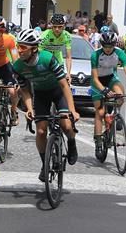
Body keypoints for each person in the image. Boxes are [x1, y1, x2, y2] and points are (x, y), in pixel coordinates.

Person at [11, 28, 79, 170]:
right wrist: (29, 109)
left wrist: (72, 110)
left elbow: (65, 86)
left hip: (58, 91)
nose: (19, 50)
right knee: (41, 131)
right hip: (41, 94)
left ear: (34, 49)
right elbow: (25, 90)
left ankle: (72, 143)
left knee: (66, 124)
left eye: (23, 47)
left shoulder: (47, 58)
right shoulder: (17, 67)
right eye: (18, 46)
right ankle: (45, 165)